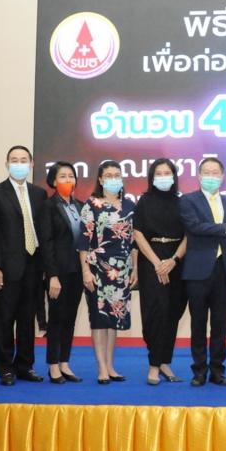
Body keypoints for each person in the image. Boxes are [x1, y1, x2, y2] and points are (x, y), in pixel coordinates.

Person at [0, 146, 48, 386]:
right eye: (14, 160)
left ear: (31, 164)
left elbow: (43, 230)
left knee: (27, 319)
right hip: (7, 268)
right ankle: (5, 368)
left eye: (23, 160)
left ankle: (25, 366)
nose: (19, 164)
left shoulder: (39, 193)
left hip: (33, 265)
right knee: (4, 319)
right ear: (7, 164)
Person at [179, 157, 226, 386]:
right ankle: (198, 370)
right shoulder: (188, 200)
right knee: (198, 323)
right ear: (199, 175)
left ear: (222, 177)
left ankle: (217, 370)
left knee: (220, 323)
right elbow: (195, 227)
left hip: (223, 270)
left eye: (215, 172)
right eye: (207, 172)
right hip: (197, 271)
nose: (211, 176)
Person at [77, 160, 137, 384]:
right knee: (99, 319)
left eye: (116, 175)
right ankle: (101, 368)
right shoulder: (91, 204)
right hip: (98, 270)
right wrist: (85, 271)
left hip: (122, 272)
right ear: (101, 180)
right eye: (108, 175)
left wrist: (135, 269)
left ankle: (111, 366)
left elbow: (133, 242)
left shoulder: (129, 205)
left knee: (114, 320)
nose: (113, 179)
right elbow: (83, 242)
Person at [133, 159, 188, 386]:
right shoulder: (144, 202)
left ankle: (165, 361)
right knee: (156, 312)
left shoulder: (183, 203)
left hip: (177, 261)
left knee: (173, 312)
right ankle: (154, 365)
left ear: (174, 176)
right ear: (152, 177)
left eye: (168, 173)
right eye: (159, 173)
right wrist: (158, 263)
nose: (164, 176)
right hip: (151, 260)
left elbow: (189, 235)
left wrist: (173, 261)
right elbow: (138, 234)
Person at [40, 161, 85, 384]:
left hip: (77, 271)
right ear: (53, 181)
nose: (68, 180)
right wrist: (52, 276)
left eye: (71, 176)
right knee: (56, 318)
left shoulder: (80, 206)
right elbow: (46, 243)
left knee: (70, 318)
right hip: (58, 272)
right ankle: (53, 365)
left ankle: (65, 362)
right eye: (63, 176)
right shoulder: (48, 207)